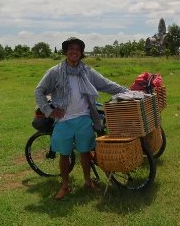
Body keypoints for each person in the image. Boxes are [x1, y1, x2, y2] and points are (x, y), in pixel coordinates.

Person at [34, 38, 128, 200]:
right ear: (65, 51)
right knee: (64, 155)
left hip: (84, 118)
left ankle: (87, 182)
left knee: (85, 153)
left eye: (78, 49)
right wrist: (49, 111)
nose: (74, 51)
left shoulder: (87, 71)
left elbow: (106, 84)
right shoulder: (55, 72)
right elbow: (39, 91)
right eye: (71, 48)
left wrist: (128, 92)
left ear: (82, 53)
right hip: (64, 120)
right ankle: (65, 185)